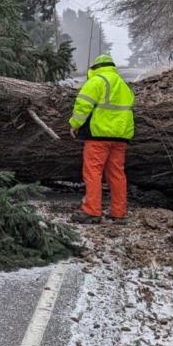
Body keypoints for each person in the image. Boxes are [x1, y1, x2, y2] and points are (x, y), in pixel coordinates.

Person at [66, 53, 135, 223]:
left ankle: (92, 211)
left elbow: (83, 106)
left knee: (93, 173)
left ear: (95, 68)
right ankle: (119, 213)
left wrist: (74, 124)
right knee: (117, 174)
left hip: (98, 135)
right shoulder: (123, 86)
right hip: (121, 137)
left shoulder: (96, 81)